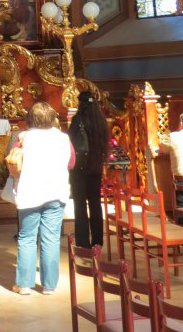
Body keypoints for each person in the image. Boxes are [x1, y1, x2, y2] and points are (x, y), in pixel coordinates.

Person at [13, 101, 73, 295]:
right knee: (51, 239)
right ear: (53, 118)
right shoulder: (63, 138)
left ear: (30, 119)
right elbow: (71, 162)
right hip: (56, 191)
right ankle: (49, 286)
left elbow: (13, 162)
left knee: (27, 237)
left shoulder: (23, 138)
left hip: (31, 192)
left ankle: (24, 284)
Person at [68, 90, 109, 248]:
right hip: (95, 168)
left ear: (80, 104)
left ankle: (83, 242)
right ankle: (97, 242)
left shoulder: (77, 120)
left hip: (79, 168)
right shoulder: (101, 121)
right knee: (95, 204)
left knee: (80, 205)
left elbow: (71, 142)